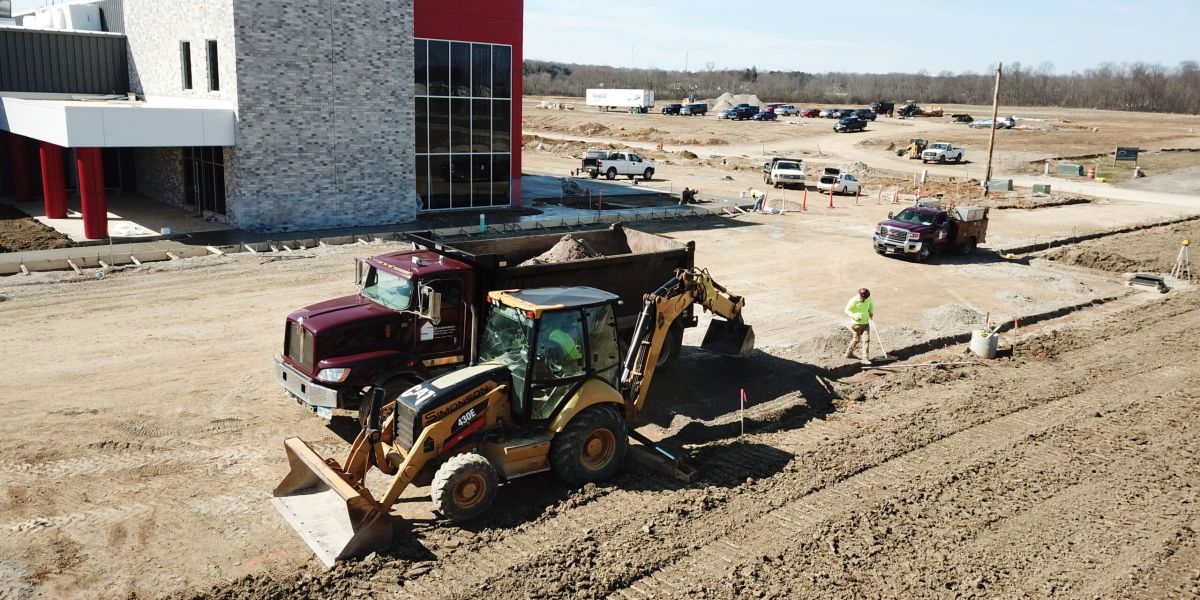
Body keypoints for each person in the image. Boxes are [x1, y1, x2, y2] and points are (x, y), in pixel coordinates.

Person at [844, 288, 874, 363]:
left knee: (866, 340)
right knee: (856, 339)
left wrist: (871, 312)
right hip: (856, 324)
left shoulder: (868, 298)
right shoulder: (853, 300)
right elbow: (847, 310)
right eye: (863, 298)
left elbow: (871, 304)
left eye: (865, 298)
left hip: (866, 323)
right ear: (860, 295)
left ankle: (865, 358)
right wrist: (854, 316)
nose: (864, 300)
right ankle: (848, 353)